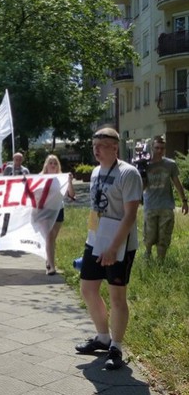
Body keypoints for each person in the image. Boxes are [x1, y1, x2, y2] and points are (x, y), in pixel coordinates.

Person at [74, 127, 142, 370]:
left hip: (120, 244)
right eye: (94, 146)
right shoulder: (95, 172)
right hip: (95, 241)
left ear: (115, 147)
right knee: (88, 289)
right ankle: (103, 337)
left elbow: (130, 215)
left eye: (102, 146)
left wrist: (113, 247)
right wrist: (94, 239)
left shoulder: (128, 173)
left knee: (117, 296)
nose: (96, 150)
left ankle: (116, 347)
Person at [143, 136, 188, 259]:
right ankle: (147, 257)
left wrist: (184, 201)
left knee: (164, 237)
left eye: (162, 148)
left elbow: (177, 183)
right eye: (157, 148)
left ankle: (160, 262)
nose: (159, 151)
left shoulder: (170, 164)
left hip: (166, 206)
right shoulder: (145, 164)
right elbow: (141, 187)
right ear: (152, 148)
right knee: (149, 236)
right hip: (150, 206)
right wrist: (142, 171)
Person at [41, 155, 75, 275]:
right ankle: (51, 266)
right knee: (49, 236)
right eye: (50, 163)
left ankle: (48, 259)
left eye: (55, 163)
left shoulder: (62, 178)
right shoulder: (40, 178)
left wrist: (69, 181)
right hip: (45, 211)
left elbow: (71, 194)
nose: (53, 165)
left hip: (58, 210)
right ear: (46, 165)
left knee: (52, 238)